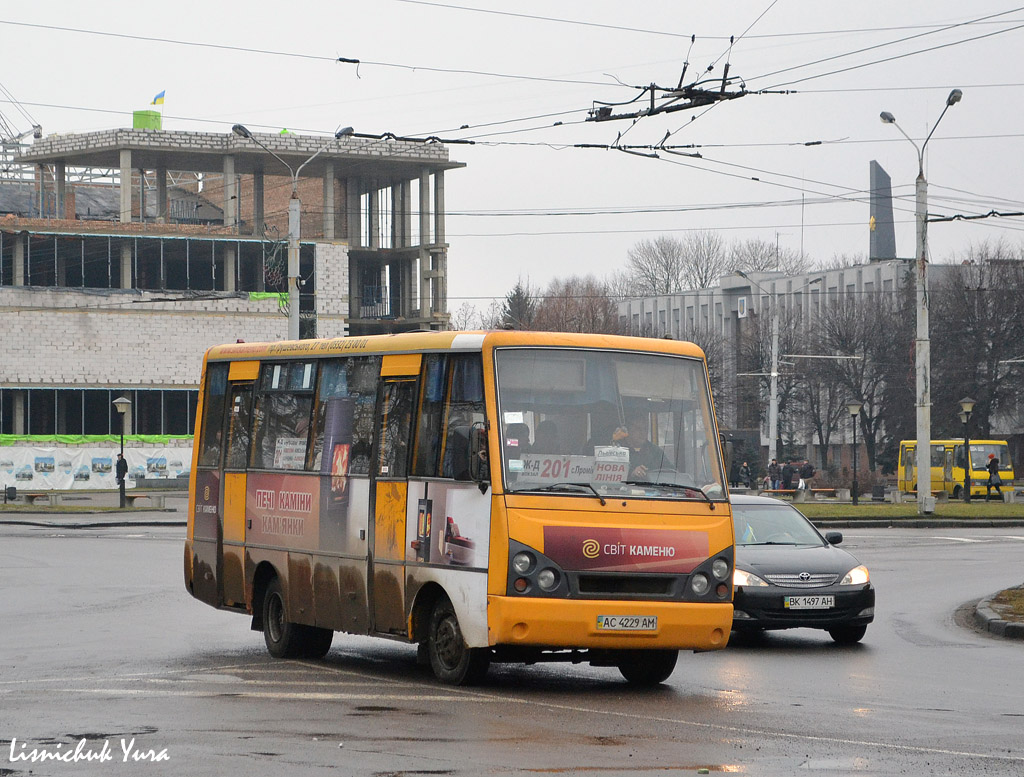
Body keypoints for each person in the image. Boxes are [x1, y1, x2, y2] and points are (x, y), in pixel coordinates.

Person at [621, 411, 668, 480]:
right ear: (628, 430)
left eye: (645, 429)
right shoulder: (618, 451)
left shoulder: (655, 451)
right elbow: (612, 476)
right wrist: (632, 473)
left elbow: (671, 471)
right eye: (638, 429)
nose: (642, 432)